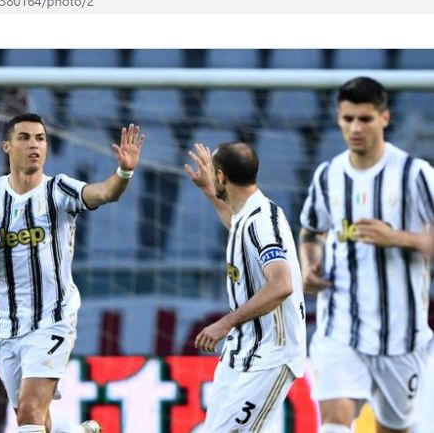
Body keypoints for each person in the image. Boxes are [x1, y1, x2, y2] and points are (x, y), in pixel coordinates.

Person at [0, 113, 145, 433]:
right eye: (24, 138)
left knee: (28, 412)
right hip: (5, 329)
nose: (34, 145)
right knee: (38, 420)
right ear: (7, 146)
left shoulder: (59, 190)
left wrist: (124, 171)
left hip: (52, 321)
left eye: (40, 138)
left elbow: (105, 193)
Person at [299, 76, 434, 433]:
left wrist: (398, 238)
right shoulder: (328, 176)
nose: (355, 128)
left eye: (365, 119)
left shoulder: (414, 175)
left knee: (394, 428)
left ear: (384, 118)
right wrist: (308, 265)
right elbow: (312, 230)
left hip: (401, 336)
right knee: (333, 423)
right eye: (348, 119)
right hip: (338, 326)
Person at [185, 141, 306, 432]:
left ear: (222, 176)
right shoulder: (247, 214)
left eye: (213, 174)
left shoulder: (263, 221)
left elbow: (281, 285)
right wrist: (207, 190)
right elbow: (235, 222)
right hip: (242, 351)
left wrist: (224, 323)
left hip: (272, 354)